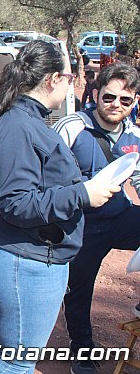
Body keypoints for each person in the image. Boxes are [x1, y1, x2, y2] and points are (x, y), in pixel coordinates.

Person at [0, 40, 118, 373]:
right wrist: (82, 194)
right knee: (16, 360)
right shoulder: (18, 126)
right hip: (22, 259)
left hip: (26, 256)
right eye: (70, 76)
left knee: (11, 354)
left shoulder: (25, 120)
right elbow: (14, 202)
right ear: (53, 79)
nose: (74, 84)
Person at [53, 62, 140, 374]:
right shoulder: (72, 126)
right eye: (109, 97)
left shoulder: (135, 135)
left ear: (134, 102)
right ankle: (81, 350)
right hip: (81, 224)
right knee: (79, 291)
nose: (116, 104)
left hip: (119, 216)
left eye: (125, 100)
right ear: (95, 93)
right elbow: (46, 173)